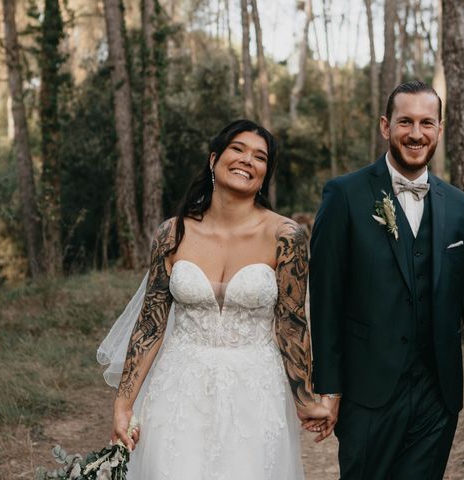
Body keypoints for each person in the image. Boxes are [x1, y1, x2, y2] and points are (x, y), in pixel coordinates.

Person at [306, 80, 464, 479]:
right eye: (406, 122)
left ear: (439, 129)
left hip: (437, 396)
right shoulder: (344, 195)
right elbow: (326, 299)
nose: (416, 134)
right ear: (386, 127)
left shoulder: (459, 205)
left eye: (427, 123)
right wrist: (329, 390)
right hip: (367, 394)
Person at [98, 119, 330, 479]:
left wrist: (305, 400)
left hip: (255, 391)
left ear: (265, 173)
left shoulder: (285, 236)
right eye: (238, 149)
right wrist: (123, 403)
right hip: (178, 390)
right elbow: (151, 322)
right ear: (213, 159)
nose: (247, 160)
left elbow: (291, 323)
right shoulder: (172, 233)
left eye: (260, 157)